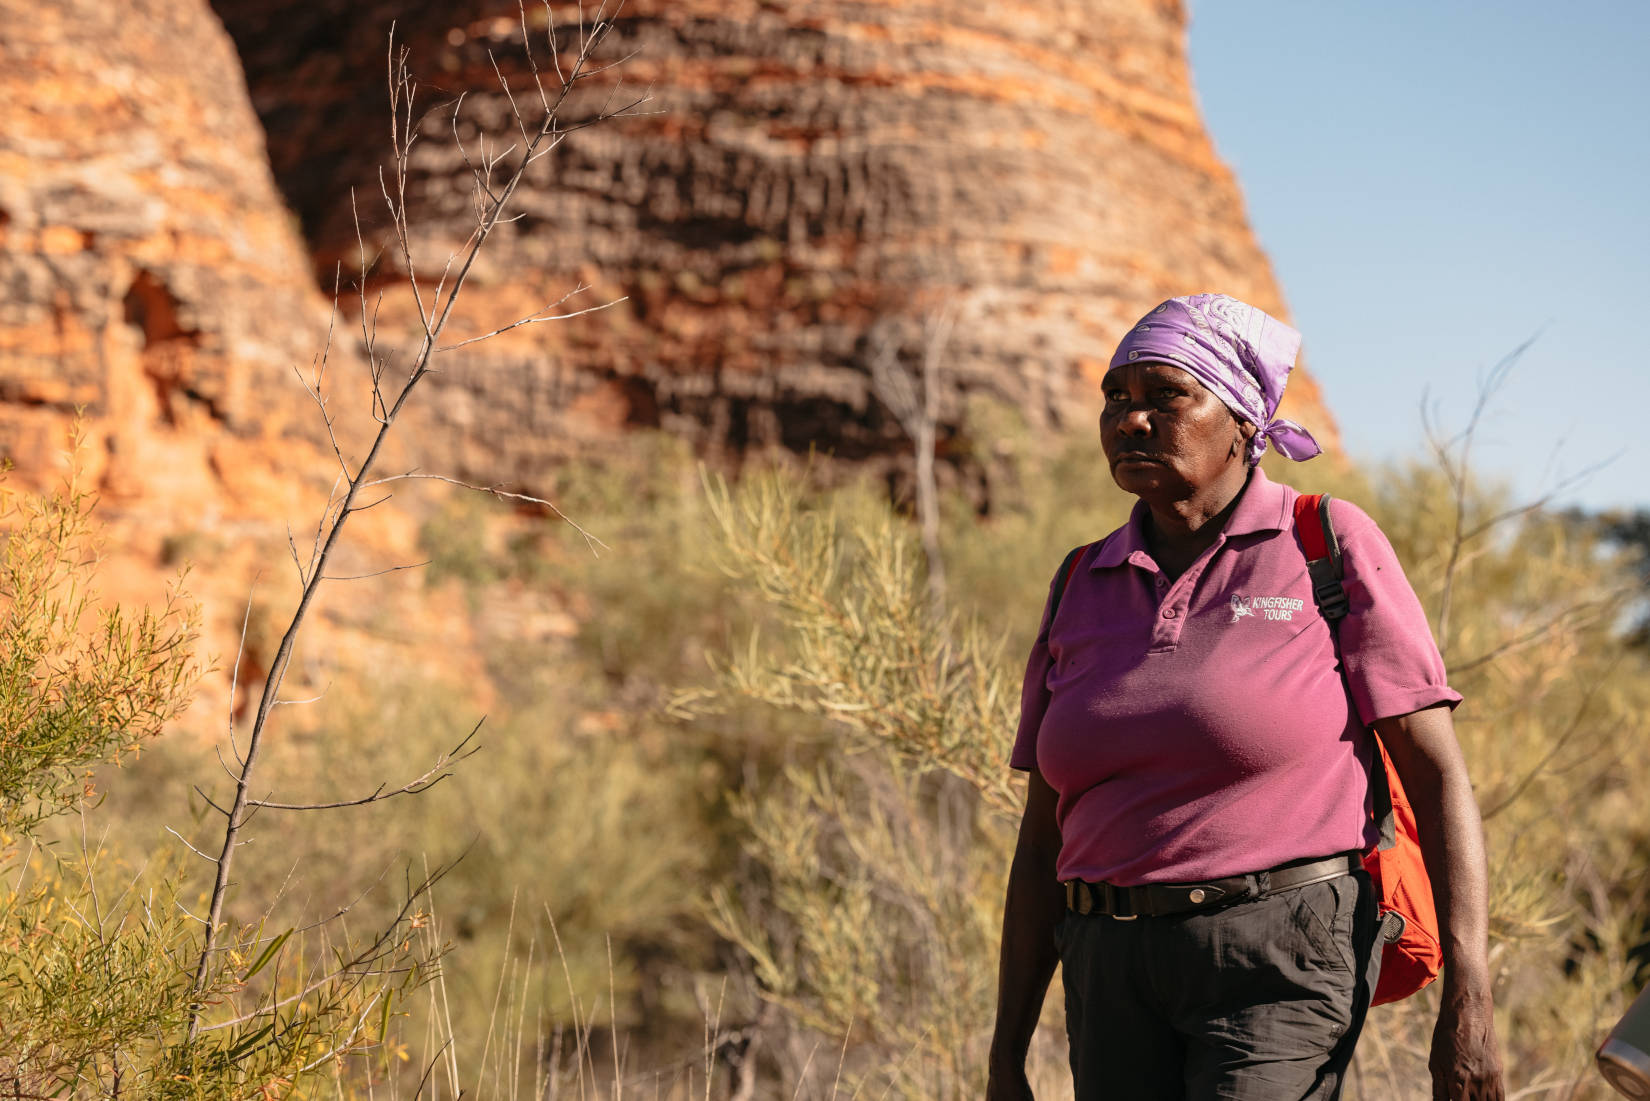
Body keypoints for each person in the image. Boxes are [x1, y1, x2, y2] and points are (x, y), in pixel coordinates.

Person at [985, 294, 1505, 1101]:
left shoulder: (1324, 542)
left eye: (1166, 396)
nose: (1131, 420)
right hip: (1108, 962)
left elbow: (1437, 772)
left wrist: (1470, 993)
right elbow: (1042, 831)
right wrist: (1005, 1052)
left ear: (1241, 421)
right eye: (1116, 399)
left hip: (1280, 951)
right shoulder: (1080, 580)